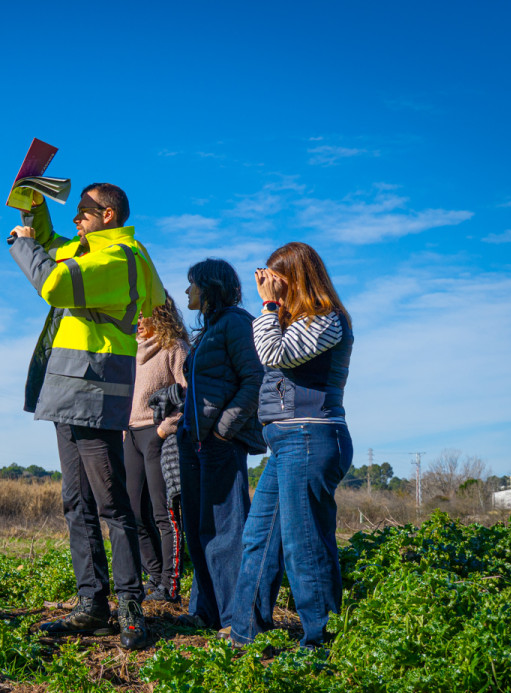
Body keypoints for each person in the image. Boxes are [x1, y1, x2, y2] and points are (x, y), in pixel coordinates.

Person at [9, 183, 166, 651]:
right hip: (69, 391)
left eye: (83, 211)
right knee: (76, 502)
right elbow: (53, 243)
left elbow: (54, 282)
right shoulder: (90, 251)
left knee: (111, 503)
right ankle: (92, 605)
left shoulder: (120, 258)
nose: (76, 219)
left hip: (94, 393)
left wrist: (22, 246)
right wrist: (34, 207)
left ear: (108, 214)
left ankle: (130, 606)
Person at [228, 242, 353, 649]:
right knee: (259, 536)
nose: (271, 286)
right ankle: (246, 634)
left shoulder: (326, 319)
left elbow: (272, 353)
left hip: (311, 436)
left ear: (297, 278)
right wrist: (273, 310)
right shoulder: (294, 321)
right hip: (287, 440)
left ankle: (321, 641)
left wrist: (267, 306)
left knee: (304, 542)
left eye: (278, 279)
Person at [150, 259, 265, 629]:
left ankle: (235, 619)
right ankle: (205, 612)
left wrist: (223, 431)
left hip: (220, 444)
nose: (187, 291)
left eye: (193, 284)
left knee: (227, 533)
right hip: (194, 442)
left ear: (211, 286)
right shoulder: (208, 330)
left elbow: (254, 380)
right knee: (201, 530)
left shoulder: (236, 323)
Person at [125, 294, 189, 603]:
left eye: (143, 315)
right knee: (133, 511)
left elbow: (190, 393)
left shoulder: (175, 347)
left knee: (164, 513)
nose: (137, 320)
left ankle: (169, 586)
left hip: (159, 435)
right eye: (135, 315)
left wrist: (165, 428)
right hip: (130, 435)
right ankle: (153, 576)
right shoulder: (129, 349)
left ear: (160, 314)